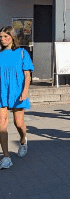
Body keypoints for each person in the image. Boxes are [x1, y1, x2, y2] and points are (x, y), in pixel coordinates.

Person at [0, 26, 32, 169]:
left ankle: (23, 140)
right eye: (1, 37)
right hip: (2, 92)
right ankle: (6, 157)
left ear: (12, 37)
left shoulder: (22, 53)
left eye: (6, 36)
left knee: (18, 123)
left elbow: (27, 75)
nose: (3, 39)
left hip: (17, 92)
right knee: (2, 124)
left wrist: (25, 92)